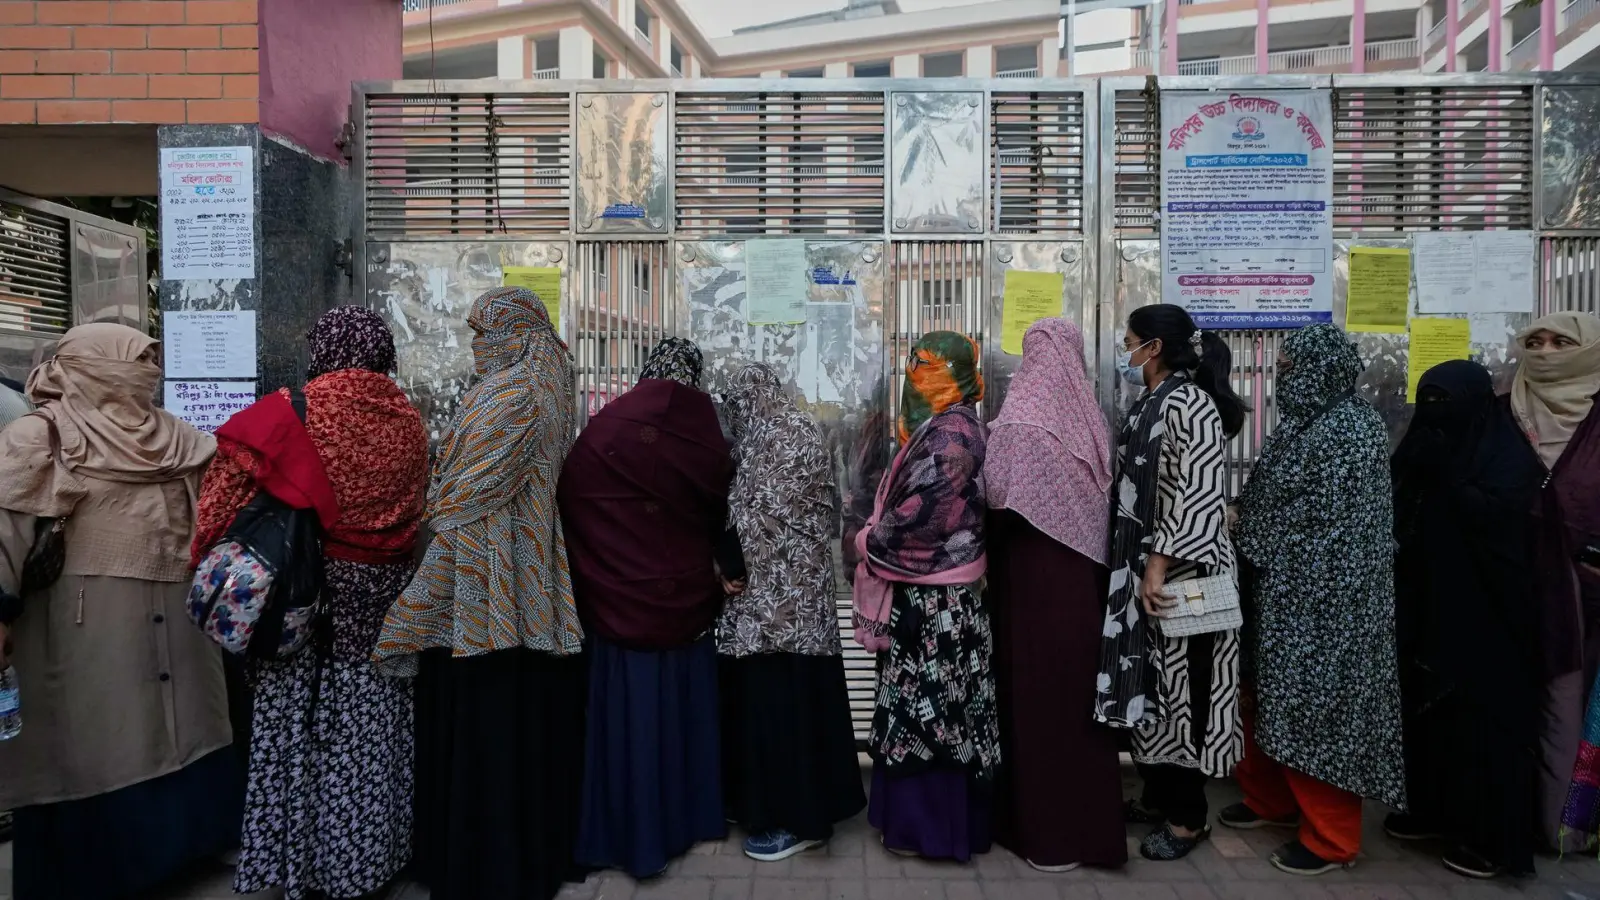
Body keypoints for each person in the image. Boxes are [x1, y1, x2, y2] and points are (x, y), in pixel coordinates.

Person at [193, 307, 430, 899]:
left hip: (299, 601)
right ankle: (364, 861)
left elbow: (219, 508)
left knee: (292, 726)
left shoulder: (290, 413)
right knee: (368, 729)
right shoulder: (411, 421)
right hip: (379, 603)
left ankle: (294, 864)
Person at [0, 323, 237, 899]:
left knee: (177, 733)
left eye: (152, 359)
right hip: (80, 626)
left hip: (177, 617)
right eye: (135, 359)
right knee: (95, 745)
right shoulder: (39, 437)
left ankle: (178, 853)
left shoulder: (175, 437)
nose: (148, 371)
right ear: (88, 366)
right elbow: (5, 530)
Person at [372, 286, 586, 900]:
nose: (475, 347)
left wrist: (430, 516)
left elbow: (460, 498)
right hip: (524, 576)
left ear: (515, 334)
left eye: (483, 334)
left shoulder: (513, 396)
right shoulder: (544, 386)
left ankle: (485, 864)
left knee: (487, 725)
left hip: (486, 578)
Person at [1227, 323, 1406, 876]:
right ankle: (1273, 803)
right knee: (1265, 697)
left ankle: (1332, 840)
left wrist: (1248, 529)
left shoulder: (1349, 428)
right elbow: (1279, 499)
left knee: (1319, 710)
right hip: (1282, 589)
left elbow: (1329, 523)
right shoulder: (1304, 425)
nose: (1282, 378)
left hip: (1330, 605)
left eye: (1289, 368)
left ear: (1322, 369)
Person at [560, 338, 734, 878]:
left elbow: (574, 494)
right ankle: (691, 817)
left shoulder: (608, 426)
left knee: (630, 725)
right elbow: (719, 506)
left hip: (617, 600)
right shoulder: (701, 430)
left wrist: (604, 560)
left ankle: (630, 832)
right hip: (685, 603)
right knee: (682, 720)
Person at [1094, 303, 1247, 863]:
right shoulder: (1153, 401)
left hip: (1186, 577)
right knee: (1153, 689)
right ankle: (1159, 794)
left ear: (1152, 347)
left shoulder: (1191, 403)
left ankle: (1189, 819)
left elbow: (1199, 492)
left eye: (1130, 340)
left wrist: (1157, 564)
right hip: (1147, 572)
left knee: (1189, 693)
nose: (1125, 349)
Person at [1386, 359, 1543, 879]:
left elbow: (1501, 524)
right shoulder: (1422, 446)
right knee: (1427, 718)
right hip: (1428, 608)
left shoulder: (1507, 458)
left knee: (1483, 731)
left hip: (1489, 619)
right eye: (1426, 401)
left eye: (1444, 403)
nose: (1434, 414)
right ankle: (1431, 813)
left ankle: (1490, 842)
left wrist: (1448, 477)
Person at [984, 318, 1124, 872]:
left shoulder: (1018, 422)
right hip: (1080, 593)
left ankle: (1044, 836)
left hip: (1027, 589)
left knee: (1032, 703)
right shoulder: (1089, 422)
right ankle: (1088, 833)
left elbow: (994, 495)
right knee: (1077, 709)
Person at [857, 331, 999, 863]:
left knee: (934, 715)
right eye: (913, 362)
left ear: (955, 372)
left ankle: (932, 830)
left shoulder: (952, 436)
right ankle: (913, 822)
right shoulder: (948, 425)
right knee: (928, 710)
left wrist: (870, 539)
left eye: (927, 364)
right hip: (938, 601)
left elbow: (923, 515)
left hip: (940, 607)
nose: (915, 372)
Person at [716, 361, 866, 863]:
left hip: (778, 610)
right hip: (792, 606)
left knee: (785, 715)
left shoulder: (773, 440)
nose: (734, 418)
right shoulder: (789, 428)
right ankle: (792, 808)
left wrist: (727, 566)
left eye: (735, 407)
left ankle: (800, 822)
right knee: (792, 709)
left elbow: (753, 512)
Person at [1507, 311, 1600, 854]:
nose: (1545, 351)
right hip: (1517, 586)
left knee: (1580, 711)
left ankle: (1571, 825)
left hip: (1588, 595)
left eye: (1560, 342)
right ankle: (1530, 816)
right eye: (1535, 341)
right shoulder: (1507, 407)